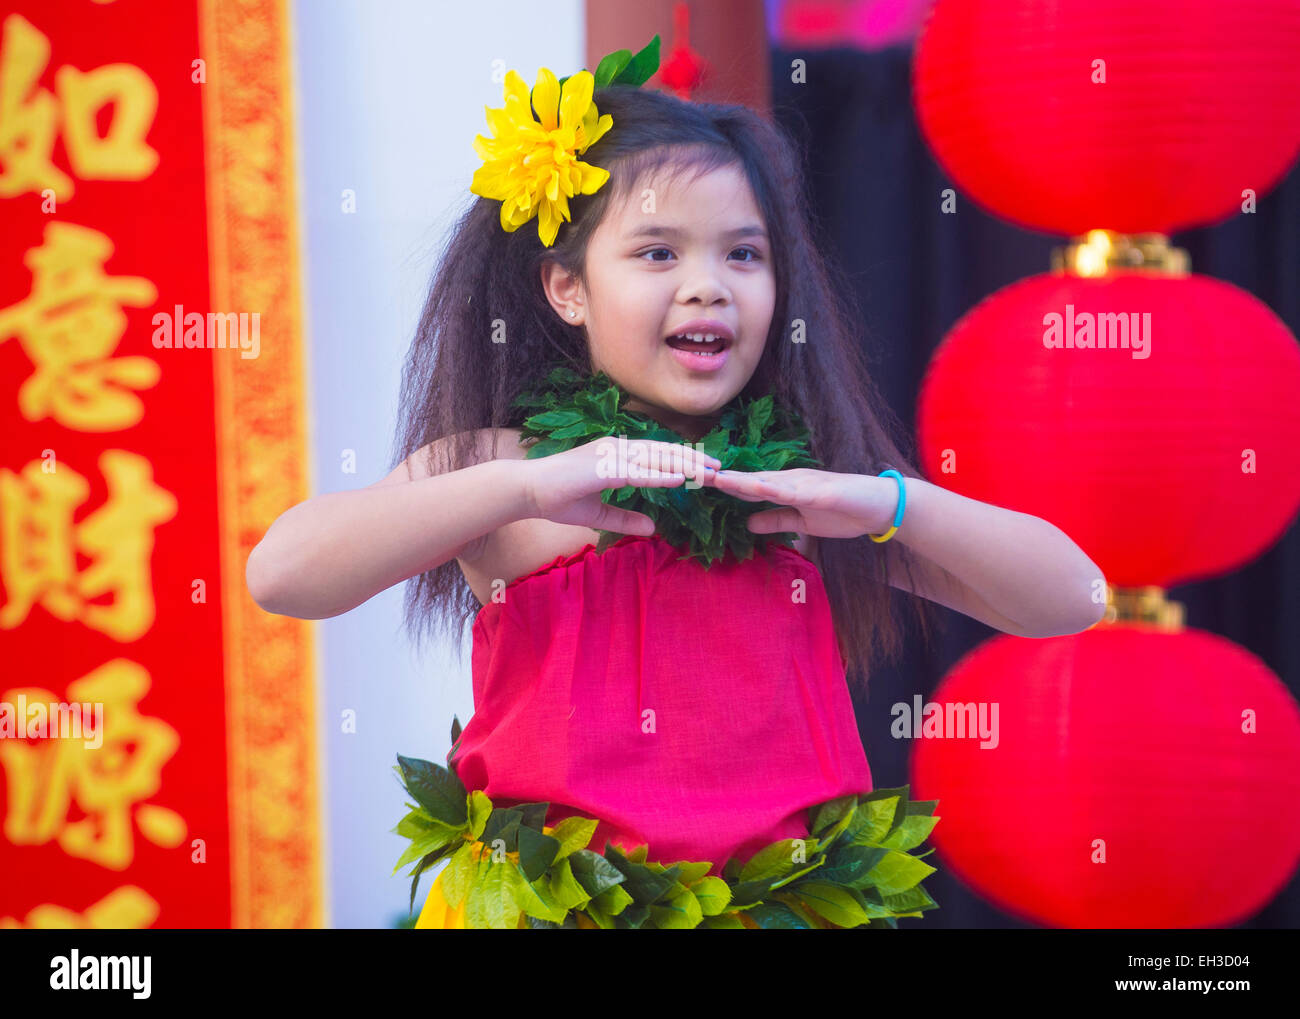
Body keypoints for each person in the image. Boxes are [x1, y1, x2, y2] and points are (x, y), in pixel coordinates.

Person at [245, 48, 1107, 929]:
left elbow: (1071, 597)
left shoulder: (794, 497)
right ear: (567, 288)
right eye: (658, 252)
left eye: (744, 254)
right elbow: (283, 573)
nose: (708, 286)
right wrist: (527, 488)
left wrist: (888, 503)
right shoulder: (505, 474)